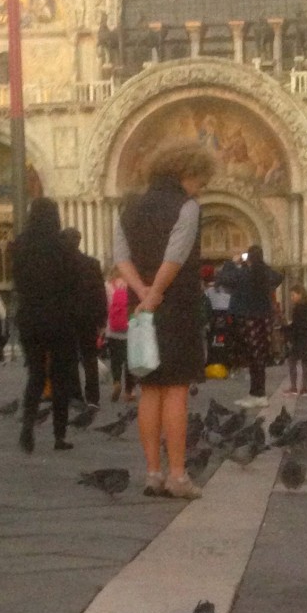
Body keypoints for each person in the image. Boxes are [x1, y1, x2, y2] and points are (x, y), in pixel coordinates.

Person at [114, 144, 214, 499]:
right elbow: (176, 254)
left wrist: (141, 291)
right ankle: (177, 475)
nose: (201, 186)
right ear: (187, 172)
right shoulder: (187, 206)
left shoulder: (129, 207)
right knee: (176, 390)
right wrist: (156, 293)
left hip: (140, 308)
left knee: (149, 388)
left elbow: (120, 256)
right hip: (176, 307)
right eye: (201, 178)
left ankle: (153, 474)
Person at [7, 197, 78, 454]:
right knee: (60, 377)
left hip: (31, 316)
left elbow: (17, 281)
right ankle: (59, 435)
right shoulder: (62, 246)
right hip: (59, 317)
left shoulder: (20, 246)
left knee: (36, 374)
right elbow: (72, 283)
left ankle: (28, 426)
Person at [219, 243, 282, 407]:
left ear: (249, 258)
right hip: (264, 320)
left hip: (247, 320)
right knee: (259, 358)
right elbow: (278, 276)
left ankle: (258, 394)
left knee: (253, 358)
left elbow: (224, 278)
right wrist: (259, 264)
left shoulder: (244, 274)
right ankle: (257, 393)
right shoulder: (264, 274)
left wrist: (232, 263)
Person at [62, 227, 107, 408]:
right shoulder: (92, 264)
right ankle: (93, 397)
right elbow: (100, 293)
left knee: (70, 357)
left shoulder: (60, 266)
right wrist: (102, 319)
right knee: (90, 358)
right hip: (88, 318)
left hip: (67, 319)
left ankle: (76, 395)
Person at [104, 267, 134, 401]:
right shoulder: (130, 284)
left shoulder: (107, 285)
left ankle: (116, 382)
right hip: (129, 328)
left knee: (115, 360)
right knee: (129, 361)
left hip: (112, 329)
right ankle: (129, 391)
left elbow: (104, 306)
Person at [283, 285, 307, 396]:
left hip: (298, 340)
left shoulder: (298, 308)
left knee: (292, 362)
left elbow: (296, 325)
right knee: (305, 364)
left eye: (293, 295)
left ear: (300, 294)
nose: (292, 297)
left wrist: (285, 329)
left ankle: (293, 388)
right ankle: (304, 389)